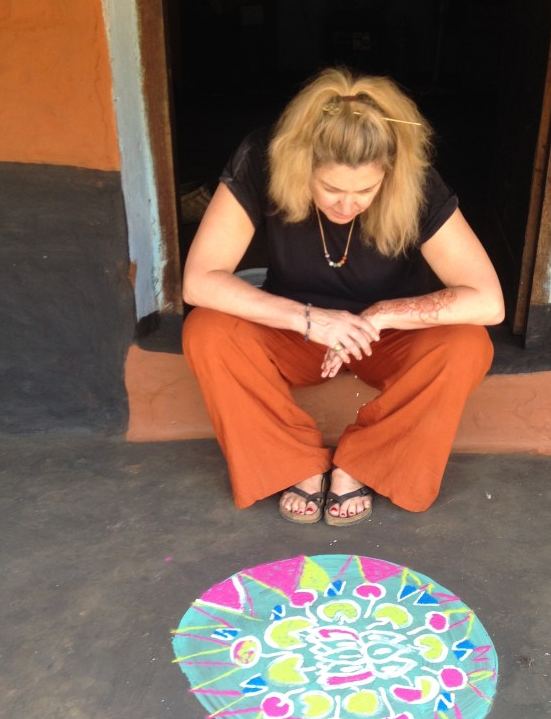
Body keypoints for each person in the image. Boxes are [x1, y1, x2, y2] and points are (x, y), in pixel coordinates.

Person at [181, 67, 504, 527]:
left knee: (467, 344)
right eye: (331, 189)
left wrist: (380, 315)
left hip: (385, 338)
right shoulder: (263, 158)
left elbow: (488, 300)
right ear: (301, 164)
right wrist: (310, 319)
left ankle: (362, 464)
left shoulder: (415, 180)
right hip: (297, 332)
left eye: (366, 191)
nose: (347, 205)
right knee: (207, 331)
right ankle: (296, 463)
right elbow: (199, 281)